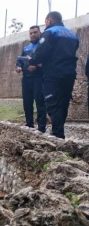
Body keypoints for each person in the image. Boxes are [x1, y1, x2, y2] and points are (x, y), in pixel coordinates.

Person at [29, 11, 79, 139]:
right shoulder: (72, 34)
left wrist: (31, 60)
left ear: (49, 20)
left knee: (52, 103)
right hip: (69, 74)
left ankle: (57, 135)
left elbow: (40, 53)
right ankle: (59, 132)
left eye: (45, 21)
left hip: (53, 74)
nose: (45, 24)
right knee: (63, 103)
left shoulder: (50, 32)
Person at [15, 25, 47, 133]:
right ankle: (29, 125)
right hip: (26, 79)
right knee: (27, 103)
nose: (33, 35)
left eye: (35, 32)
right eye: (31, 33)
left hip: (39, 78)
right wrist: (18, 67)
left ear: (39, 33)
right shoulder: (26, 48)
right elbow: (19, 61)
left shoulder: (43, 46)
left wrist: (37, 67)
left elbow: (47, 62)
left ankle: (42, 128)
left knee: (40, 103)